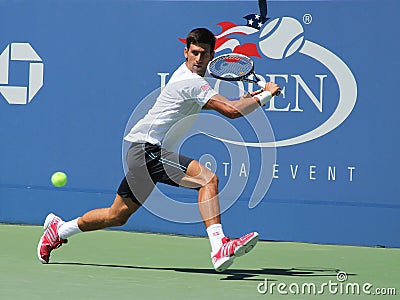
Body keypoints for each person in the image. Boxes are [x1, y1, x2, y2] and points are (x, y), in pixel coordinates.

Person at [37, 28, 280, 272]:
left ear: (210, 56)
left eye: (203, 54)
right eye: (194, 53)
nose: (198, 59)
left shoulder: (186, 79)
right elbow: (232, 111)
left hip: (139, 152)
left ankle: (59, 230)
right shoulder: (192, 82)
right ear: (186, 52)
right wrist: (267, 95)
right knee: (208, 180)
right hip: (146, 149)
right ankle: (219, 247)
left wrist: (256, 96)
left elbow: (223, 106)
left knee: (117, 215)